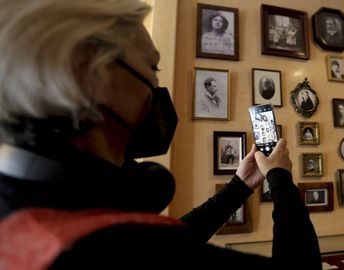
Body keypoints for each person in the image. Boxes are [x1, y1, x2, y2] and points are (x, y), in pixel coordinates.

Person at [0, 1, 321, 269]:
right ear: (90, 71)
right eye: (152, 67)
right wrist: (279, 176)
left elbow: (161, 243)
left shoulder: (27, 204)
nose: (155, 87)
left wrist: (239, 187)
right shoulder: (100, 248)